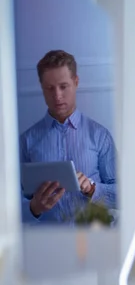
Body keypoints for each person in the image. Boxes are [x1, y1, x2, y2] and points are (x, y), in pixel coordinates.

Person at [19, 50, 117, 223]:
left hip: (94, 241)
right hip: (45, 245)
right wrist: (34, 207)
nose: (57, 96)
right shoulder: (26, 141)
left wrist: (93, 189)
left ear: (76, 82)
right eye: (49, 88)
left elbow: (123, 195)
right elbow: (9, 203)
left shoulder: (100, 136)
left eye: (63, 86)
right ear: (42, 88)